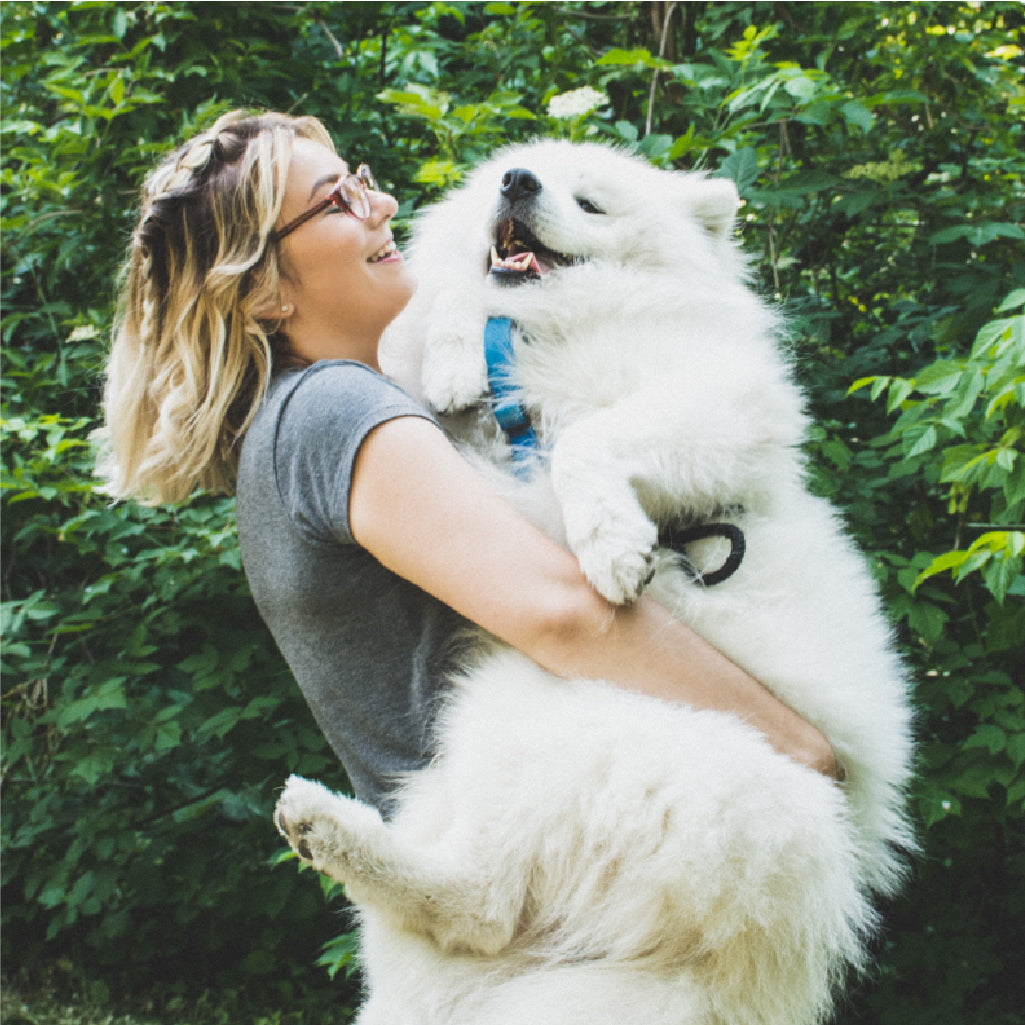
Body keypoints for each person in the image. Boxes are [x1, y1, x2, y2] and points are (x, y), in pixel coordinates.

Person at [100, 110, 839, 817]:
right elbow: (561, 611)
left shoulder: (302, 418)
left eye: (361, 181)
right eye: (338, 203)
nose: (382, 204)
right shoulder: (334, 407)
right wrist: (799, 746)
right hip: (565, 859)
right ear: (262, 289)